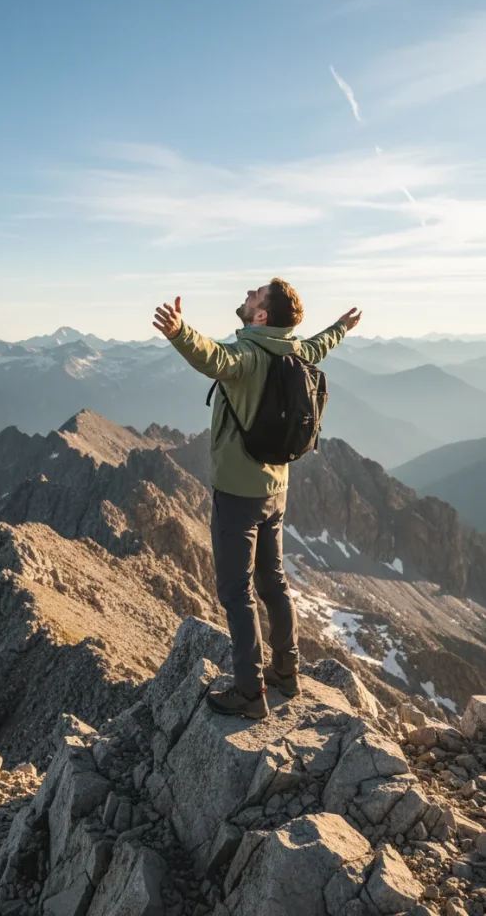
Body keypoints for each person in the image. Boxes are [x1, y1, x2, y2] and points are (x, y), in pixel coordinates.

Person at [152, 279, 362, 720]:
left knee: (236, 592)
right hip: (276, 490)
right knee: (273, 582)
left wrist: (178, 333)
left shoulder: (247, 355)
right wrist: (341, 327)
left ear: (262, 316)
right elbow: (320, 345)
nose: (249, 293)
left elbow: (214, 357)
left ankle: (250, 693)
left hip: (238, 495)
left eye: (257, 294)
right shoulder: (294, 350)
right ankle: (286, 672)